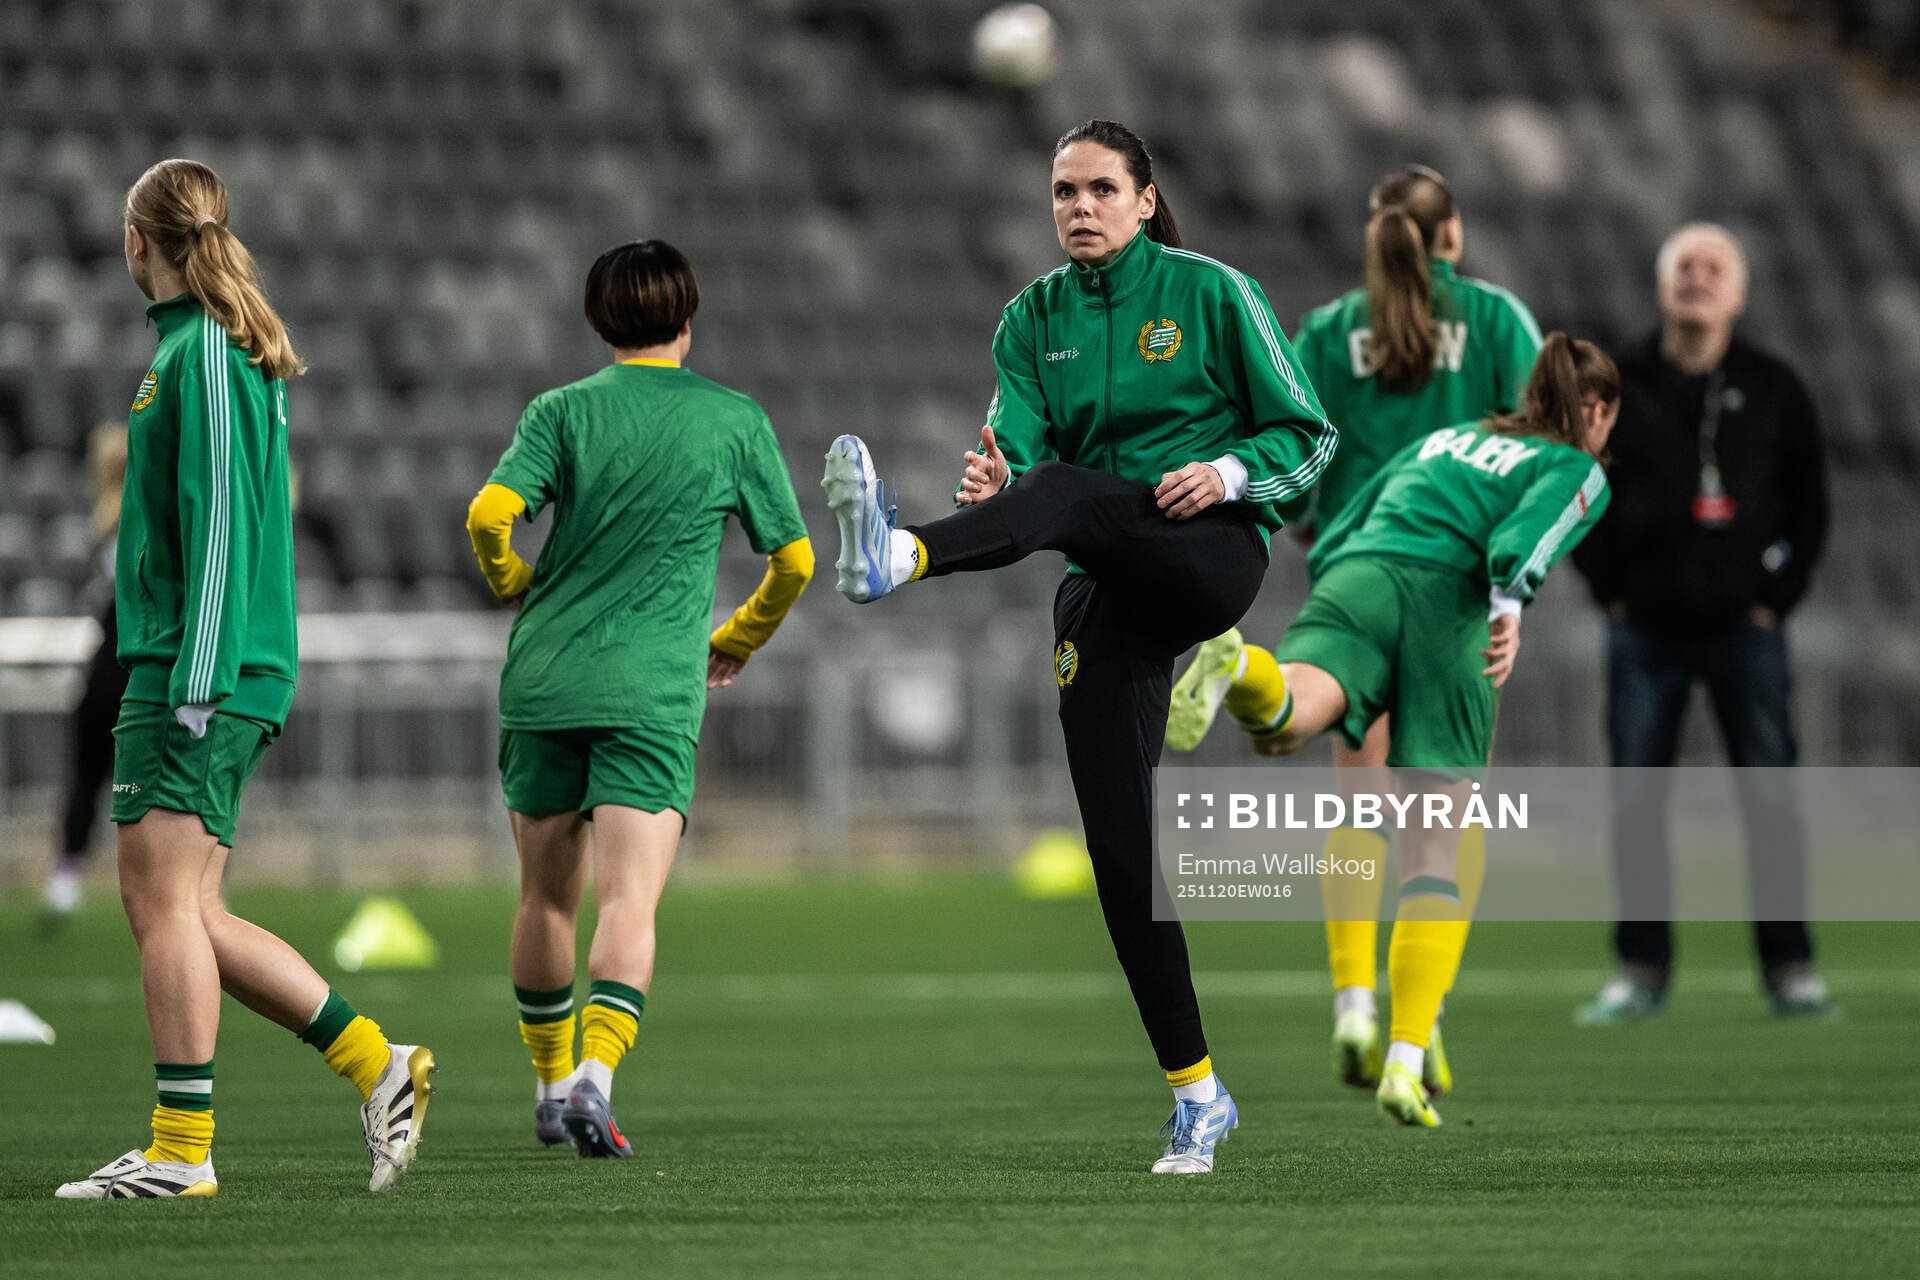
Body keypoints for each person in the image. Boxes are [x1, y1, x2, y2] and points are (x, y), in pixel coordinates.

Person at [821, 120, 1337, 1174]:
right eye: (1063, 192)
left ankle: (892, 557)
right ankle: (1201, 1096)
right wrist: (994, 485)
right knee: (1120, 858)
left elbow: (1311, 437)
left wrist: (1232, 475)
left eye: (1102, 188)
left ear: (1146, 201)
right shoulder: (1030, 321)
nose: (1080, 208)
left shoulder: (1211, 293)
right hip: (1108, 588)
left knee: (1058, 497)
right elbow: (1024, 453)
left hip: (1208, 552)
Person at [58, 159, 432, 1200]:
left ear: (141, 242)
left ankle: (182, 1150)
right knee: (191, 909)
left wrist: (196, 675)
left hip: (196, 666)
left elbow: (220, 525)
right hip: (197, 658)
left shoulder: (205, 357)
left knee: (160, 902)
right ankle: (379, 1065)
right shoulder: (197, 349)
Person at [1164, 165, 1542, 1099]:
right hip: (1457, 582)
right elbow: (1542, 447)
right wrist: (1513, 592)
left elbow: (1287, 441)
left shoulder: (1332, 331)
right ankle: (1422, 1020)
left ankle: (1352, 1003)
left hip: (1355, 567)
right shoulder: (1496, 321)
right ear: (1449, 235)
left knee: (1353, 788)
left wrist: (1305, 523)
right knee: (1442, 809)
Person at [1178, 332, 1616, 1127]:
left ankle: (1241, 668)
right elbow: (1529, 537)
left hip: (1361, 572)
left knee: (1289, 722)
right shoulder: (1573, 462)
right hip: (1450, 611)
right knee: (1432, 848)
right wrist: (1509, 603)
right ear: (1596, 410)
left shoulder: (1452, 436)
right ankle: (1406, 1061)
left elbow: (1350, 513)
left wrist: (1344, 584)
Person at [465, 239, 812, 1158]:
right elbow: (796, 559)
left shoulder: (561, 411)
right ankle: (596, 1078)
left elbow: (488, 516)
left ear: (599, 321)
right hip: (651, 690)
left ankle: (547, 1088)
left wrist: (512, 581)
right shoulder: (732, 419)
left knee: (545, 899)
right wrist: (736, 639)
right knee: (629, 902)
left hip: (545, 678)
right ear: (688, 321)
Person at [1569, 223, 1833, 1023]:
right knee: (1637, 801)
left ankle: (1789, 967)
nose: (1697, 278)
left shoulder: (1776, 386)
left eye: (1714, 268)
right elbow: (1577, 486)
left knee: (1771, 796)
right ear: (1662, 285)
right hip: (1642, 628)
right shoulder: (1618, 382)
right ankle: (1641, 969)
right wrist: (1606, 589)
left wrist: (1772, 600)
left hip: (1744, 630)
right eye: (1684, 266)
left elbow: (1810, 506)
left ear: (1739, 292)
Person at [43, 423, 131, 922]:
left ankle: (66, 876)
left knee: (87, 775)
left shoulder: (101, 524)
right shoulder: (146, 518)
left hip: (103, 668)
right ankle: (206, 888)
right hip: (138, 669)